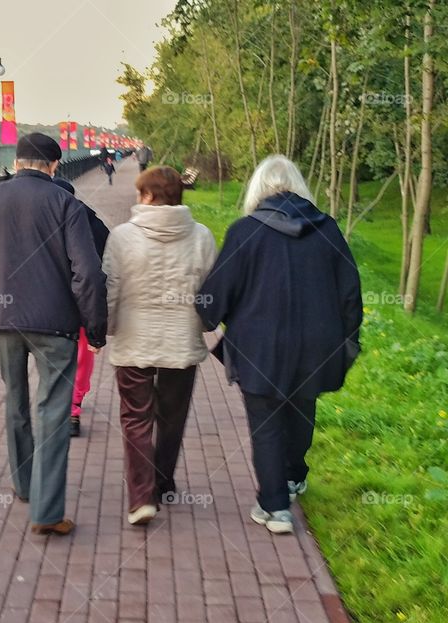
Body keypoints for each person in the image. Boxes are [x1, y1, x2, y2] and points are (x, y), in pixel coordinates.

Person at [196, 154, 362, 534]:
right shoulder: (329, 231)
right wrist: (348, 341)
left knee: (266, 421)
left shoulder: (243, 232)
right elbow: (350, 294)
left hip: (259, 347)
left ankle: (275, 508)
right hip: (316, 345)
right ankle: (293, 476)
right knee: (302, 409)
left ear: (258, 188)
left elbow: (216, 294)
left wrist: (210, 316)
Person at [0, 132, 107, 536]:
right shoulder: (65, 203)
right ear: (54, 166)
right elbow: (87, 273)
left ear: (18, 162)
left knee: (16, 402)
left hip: (1, 321)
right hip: (54, 323)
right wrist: (95, 327)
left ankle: (23, 485)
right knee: (53, 412)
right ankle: (47, 510)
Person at [103, 166, 217, 525]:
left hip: (134, 338)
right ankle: (163, 482)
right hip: (181, 339)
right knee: (172, 416)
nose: (138, 199)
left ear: (150, 196)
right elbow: (210, 292)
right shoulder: (201, 236)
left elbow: (110, 288)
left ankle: (141, 498)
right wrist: (203, 325)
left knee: (136, 418)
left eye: (141, 193)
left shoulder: (122, 236)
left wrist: (106, 328)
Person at [52, 177, 110, 437]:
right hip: (83, 302)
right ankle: (73, 407)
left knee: (55, 355)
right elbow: (104, 265)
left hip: (51, 303)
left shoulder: (42, 220)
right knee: (82, 357)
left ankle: (61, 405)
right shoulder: (93, 223)